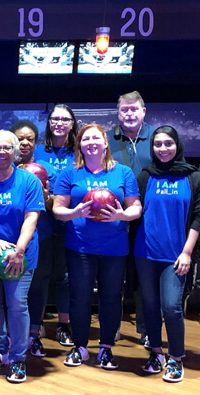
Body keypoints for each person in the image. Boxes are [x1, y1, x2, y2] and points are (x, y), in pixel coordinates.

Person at [53, 123, 142, 370]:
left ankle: (105, 348)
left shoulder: (122, 172)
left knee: (111, 298)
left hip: (115, 248)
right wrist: (75, 211)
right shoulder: (70, 174)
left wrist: (122, 216)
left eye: (96, 138)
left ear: (105, 144)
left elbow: (136, 207)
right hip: (80, 246)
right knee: (80, 298)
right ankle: (80, 347)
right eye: (85, 139)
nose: (91, 142)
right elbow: (57, 210)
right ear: (79, 145)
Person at [0, 130, 44, 383]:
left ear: (15, 151)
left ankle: (17, 358)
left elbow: (32, 218)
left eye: (6, 147)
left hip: (21, 255)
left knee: (16, 304)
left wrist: (18, 250)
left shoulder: (29, 181)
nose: (1, 152)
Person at [134, 126, 200, 383]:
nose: (163, 149)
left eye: (168, 143)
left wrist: (187, 252)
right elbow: (134, 210)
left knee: (171, 307)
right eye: (158, 144)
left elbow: (198, 217)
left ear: (178, 145)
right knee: (149, 305)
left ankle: (176, 358)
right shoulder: (146, 176)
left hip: (176, 255)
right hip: (145, 252)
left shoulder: (193, 177)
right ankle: (156, 354)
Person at [107, 91, 156, 346]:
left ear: (143, 111)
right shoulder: (106, 140)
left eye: (134, 109)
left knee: (143, 277)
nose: (129, 113)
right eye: (124, 109)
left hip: (147, 219)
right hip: (114, 218)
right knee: (114, 277)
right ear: (118, 112)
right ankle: (112, 326)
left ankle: (147, 330)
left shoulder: (157, 137)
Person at [10, 120, 58, 357]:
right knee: (10, 290)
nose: (25, 142)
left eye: (30, 138)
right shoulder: (3, 167)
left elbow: (54, 204)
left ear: (37, 141)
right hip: (9, 239)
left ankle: (34, 335)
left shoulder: (46, 167)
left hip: (42, 236)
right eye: (20, 138)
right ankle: (11, 335)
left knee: (37, 287)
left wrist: (46, 197)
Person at [34, 104, 79, 347]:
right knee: (40, 276)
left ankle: (63, 325)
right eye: (55, 119)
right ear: (49, 123)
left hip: (72, 223)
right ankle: (37, 324)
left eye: (65, 119)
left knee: (64, 277)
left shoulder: (79, 153)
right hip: (43, 224)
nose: (59, 123)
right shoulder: (39, 152)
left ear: (72, 124)